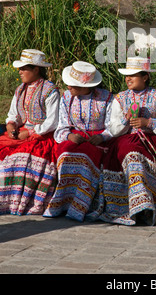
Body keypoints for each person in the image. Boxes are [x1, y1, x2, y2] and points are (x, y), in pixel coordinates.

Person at [87, 56, 156, 226]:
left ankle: (147, 205)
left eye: (133, 75)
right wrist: (124, 120)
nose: (128, 78)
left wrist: (148, 122)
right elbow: (113, 129)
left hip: (152, 139)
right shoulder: (120, 98)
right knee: (130, 153)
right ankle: (133, 206)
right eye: (127, 75)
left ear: (145, 77)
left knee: (136, 154)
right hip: (127, 139)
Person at [44, 61, 113, 221]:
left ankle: (80, 205)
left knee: (86, 159)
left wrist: (102, 136)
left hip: (98, 139)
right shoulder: (66, 98)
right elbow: (62, 125)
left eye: (72, 85)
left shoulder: (106, 98)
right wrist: (69, 136)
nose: (68, 87)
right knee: (66, 154)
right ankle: (62, 202)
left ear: (86, 86)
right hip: (74, 136)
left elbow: (112, 126)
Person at [0, 49, 60, 215]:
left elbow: (52, 121)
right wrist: (11, 125)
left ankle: (14, 203)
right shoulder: (20, 89)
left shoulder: (50, 90)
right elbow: (14, 114)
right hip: (20, 134)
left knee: (18, 161)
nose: (20, 72)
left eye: (24, 68)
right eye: (20, 68)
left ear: (36, 69)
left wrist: (32, 132)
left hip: (42, 136)